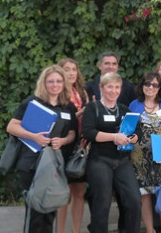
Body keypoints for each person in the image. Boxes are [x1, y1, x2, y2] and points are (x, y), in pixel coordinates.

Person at [6, 65, 78, 233]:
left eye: (59, 81)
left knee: (49, 211)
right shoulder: (32, 102)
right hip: (31, 164)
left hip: (53, 165)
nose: (55, 85)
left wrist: (63, 140)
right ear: (44, 83)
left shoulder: (68, 107)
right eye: (51, 81)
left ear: (64, 83)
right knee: (35, 214)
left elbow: (73, 133)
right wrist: (34, 137)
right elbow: (11, 126)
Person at [82, 72, 141, 233]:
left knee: (134, 200)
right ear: (101, 87)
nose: (113, 90)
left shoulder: (123, 109)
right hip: (100, 160)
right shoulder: (92, 108)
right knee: (102, 203)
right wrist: (114, 137)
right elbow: (88, 132)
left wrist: (133, 138)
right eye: (109, 86)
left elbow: (137, 131)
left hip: (122, 161)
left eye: (117, 87)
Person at [129, 72, 161, 233]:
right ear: (142, 86)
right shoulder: (134, 105)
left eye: (155, 85)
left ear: (159, 88)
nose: (150, 87)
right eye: (147, 84)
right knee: (144, 194)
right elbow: (129, 129)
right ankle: (150, 230)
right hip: (138, 157)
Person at [57, 58, 89, 233]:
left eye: (73, 69)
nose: (71, 73)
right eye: (67, 69)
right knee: (63, 193)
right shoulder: (56, 93)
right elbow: (61, 121)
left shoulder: (82, 92)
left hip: (80, 146)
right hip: (63, 146)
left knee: (78, 192)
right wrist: (80, 113)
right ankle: (60, 230)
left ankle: (76, 230)